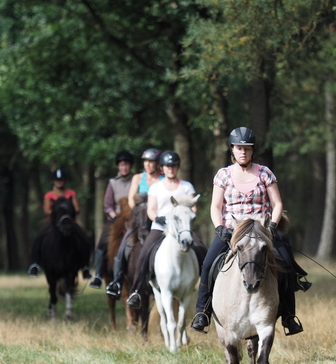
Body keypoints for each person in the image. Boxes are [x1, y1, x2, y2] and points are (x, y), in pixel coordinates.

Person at [190, 127, 311, 336]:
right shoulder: (223, 175)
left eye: (246, 148)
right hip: (233, 231)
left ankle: (289, 316)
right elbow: (215, 207)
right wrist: (220, 228)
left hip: (262, 230)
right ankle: (203, 312)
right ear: (232, 150)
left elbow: (278, 203)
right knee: (208, 264)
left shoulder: (265, 173)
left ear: (252, 151)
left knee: (286, 263)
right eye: (239, 148)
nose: (243, 152)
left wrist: (272, 226)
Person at [125, 150, 207, 309]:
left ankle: (206, 288)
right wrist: (157, 218)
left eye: (174, 166)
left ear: (178, 167)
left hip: (182, 227)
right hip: (160, 227)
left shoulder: (186, 186)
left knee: (201, 248)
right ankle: (136, 291)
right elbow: (150, 210)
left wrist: (187, 216)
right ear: (163, 167)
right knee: (144, 253)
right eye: (168, 166)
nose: (171, 169)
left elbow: (193, 207)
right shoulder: (156, 188)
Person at [105, 148, 163, 299]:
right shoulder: (138, 178)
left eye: (151, 162)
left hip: (158, 219)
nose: (148, 165)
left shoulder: (163, 179)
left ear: (157, 164)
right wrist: (139, 211)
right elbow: (131, 199)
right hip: (140, 218)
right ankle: (117, 280)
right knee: (123, 244)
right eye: (146, 161)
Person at [28, 169, 91, 279]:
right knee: (39, 237)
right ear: (53, 182)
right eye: (57, 180)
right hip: (53, 222)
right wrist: (57, 209)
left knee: (83, 237)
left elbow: (77, 208)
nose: (59, 182)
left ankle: (85, 266)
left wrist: (68, 210)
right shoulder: (49, 195)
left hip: (70, 222)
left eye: (61, 180)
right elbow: (47, 210)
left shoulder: (71, 193)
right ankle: (35, 264)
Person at [89, 150, 135, 289]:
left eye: (127, 164)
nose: (124, 167)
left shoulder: (136, 180)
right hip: (117, 218)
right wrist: (116, 217)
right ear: (118, 167)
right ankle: (98, 274)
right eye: (122, 165)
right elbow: (108, 205)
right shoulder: (113, 183)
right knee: (103, 241)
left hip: (134, 218)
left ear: (130, 166)